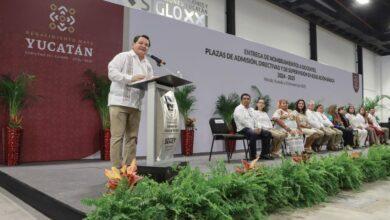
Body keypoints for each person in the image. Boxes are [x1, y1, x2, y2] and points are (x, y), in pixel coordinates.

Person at [108, 35, 154, 168]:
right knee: (117, 138)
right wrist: (131, 78)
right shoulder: (123, 56)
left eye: (146, 44)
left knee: (132, 139)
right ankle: (116, 171)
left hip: (136, 105)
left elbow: (149, 82)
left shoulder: (148, 64)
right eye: (141, 43)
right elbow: (112, 73)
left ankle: (129, 170)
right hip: (119, 103)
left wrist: (155, 81)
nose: (144, 46)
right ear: (133, 44)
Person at [234, 94, 273, 160]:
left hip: (252, 128)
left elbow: (256, 119)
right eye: (244, 98)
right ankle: (253, 156)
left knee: (267, 133)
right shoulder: (238, 109)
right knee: (253, 133)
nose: (246, 100)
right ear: (241, 100)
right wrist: (253, 129)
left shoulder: (251, 109)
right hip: (242, 128)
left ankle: (264, 154)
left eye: (248, 99)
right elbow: (242, 121)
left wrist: (258, 127)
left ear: (250, 100)